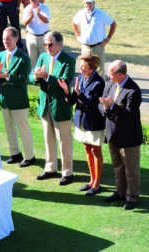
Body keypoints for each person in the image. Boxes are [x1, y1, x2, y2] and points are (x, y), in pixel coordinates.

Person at [29, 31, 75, 185]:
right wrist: (36, 77)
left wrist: (46, 77)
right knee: (48, 139)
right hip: (45, 105)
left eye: (50, 44)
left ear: (59, 45)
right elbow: (32, 75)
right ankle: (50, 168)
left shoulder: (68, 60)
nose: (47, 47)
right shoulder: (43, 57)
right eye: (45, 45)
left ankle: (67, 172)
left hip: (60, 106)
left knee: (64, 141)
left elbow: (65, 81)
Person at [58, 55, 105, 195]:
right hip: (82, 121)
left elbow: (92, 105)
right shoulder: (82, 78)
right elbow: (73, 102)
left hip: (94, 123)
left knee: (96, 151)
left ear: (91, 68)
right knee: (87, 149)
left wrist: (78, 93)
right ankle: (91, 181)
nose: (80, 68)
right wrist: (67, 91)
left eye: (83, 66)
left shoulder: (99, 83)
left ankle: (96, 185)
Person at [98, 60, 142, 210]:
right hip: (112, 134)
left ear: (121, 74)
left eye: (112, 75)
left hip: (128, 138)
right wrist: (105, 108)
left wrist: (112, 107)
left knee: (131, 170)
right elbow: (101, 104)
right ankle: (120, 192)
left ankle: (132, 198)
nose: (109, 77)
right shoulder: (110, 85)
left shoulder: (133, 90)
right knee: (117, 167)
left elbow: (130, 115)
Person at [0, 27, 35, 167]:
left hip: (18, 100)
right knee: (9, 128)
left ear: (16, 39)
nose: (5, 41)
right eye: (4, 39)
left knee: (23, 129)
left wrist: (9, 77)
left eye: (8, 39)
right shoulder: (0, 56)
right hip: (5, 99)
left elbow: (25, 79)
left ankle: (29, 156)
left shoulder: (23, 58)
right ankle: (15, 153)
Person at [72, 0, 116, 78]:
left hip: (98, 46)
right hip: (85, 46)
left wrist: (107, 39)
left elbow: (113, 24)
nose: (88, 5)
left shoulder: (101, 14)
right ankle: (85, 88)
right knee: (85, 67)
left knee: (99, 69)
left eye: (90, 3)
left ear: (94, 3)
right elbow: (74, 23)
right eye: (86, 3)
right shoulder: (81, 13)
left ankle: (101, 89)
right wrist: (77, 35)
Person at [22, 0, 50, 67]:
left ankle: (45, 77)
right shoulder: (27, 9)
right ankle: (34, 77)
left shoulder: (44, 8)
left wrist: (38, 14)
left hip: (43, 37)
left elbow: (46, 20)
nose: (34, 0)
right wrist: (31, 16)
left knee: (45, 60)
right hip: (31, 37)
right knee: (32, 61)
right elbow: (25, 23)